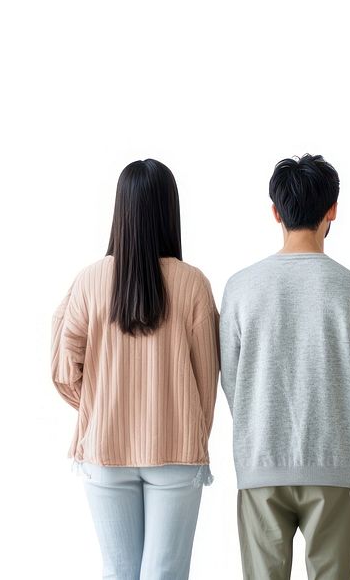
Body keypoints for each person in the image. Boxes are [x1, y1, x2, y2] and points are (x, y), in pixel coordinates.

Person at [51, 159, 219, 580]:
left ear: (119, 212)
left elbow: (61, 366)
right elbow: (208, 378)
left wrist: (97, 403)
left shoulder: (89, 281)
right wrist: (190, 426)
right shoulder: (192, 282)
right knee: (166, 573)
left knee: (118, 573)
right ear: (169, 210)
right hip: (176, 450)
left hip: (104, 448)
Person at [220, 154, 350, 580]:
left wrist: (255, 426)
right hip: (335, 461)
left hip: (261, 459)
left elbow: (232, 380)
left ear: (275, 212)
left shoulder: (240, 287)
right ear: (333, 211)